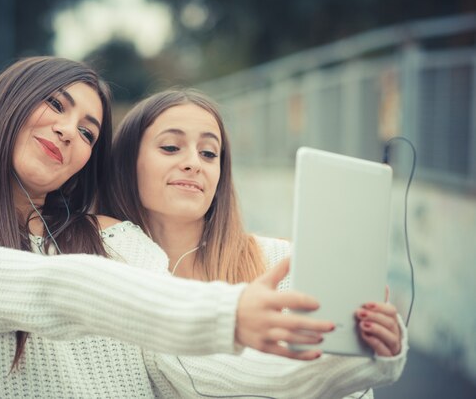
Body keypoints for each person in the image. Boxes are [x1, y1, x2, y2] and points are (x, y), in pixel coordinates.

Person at [0, 57, 337, 398]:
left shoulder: (118, 238)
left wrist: (351, 369)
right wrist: (228, 313)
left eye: (89, 131)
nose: (69, 131)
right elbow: (51, 289)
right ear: (5, 105)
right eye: (56, 105)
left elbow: (187, 371)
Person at [102, 88, 408, 398]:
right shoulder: (107, 270)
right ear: (127, 163)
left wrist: (372, 352)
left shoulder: (283, 262)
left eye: (209, 153)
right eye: (170, 147)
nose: (194, 163)